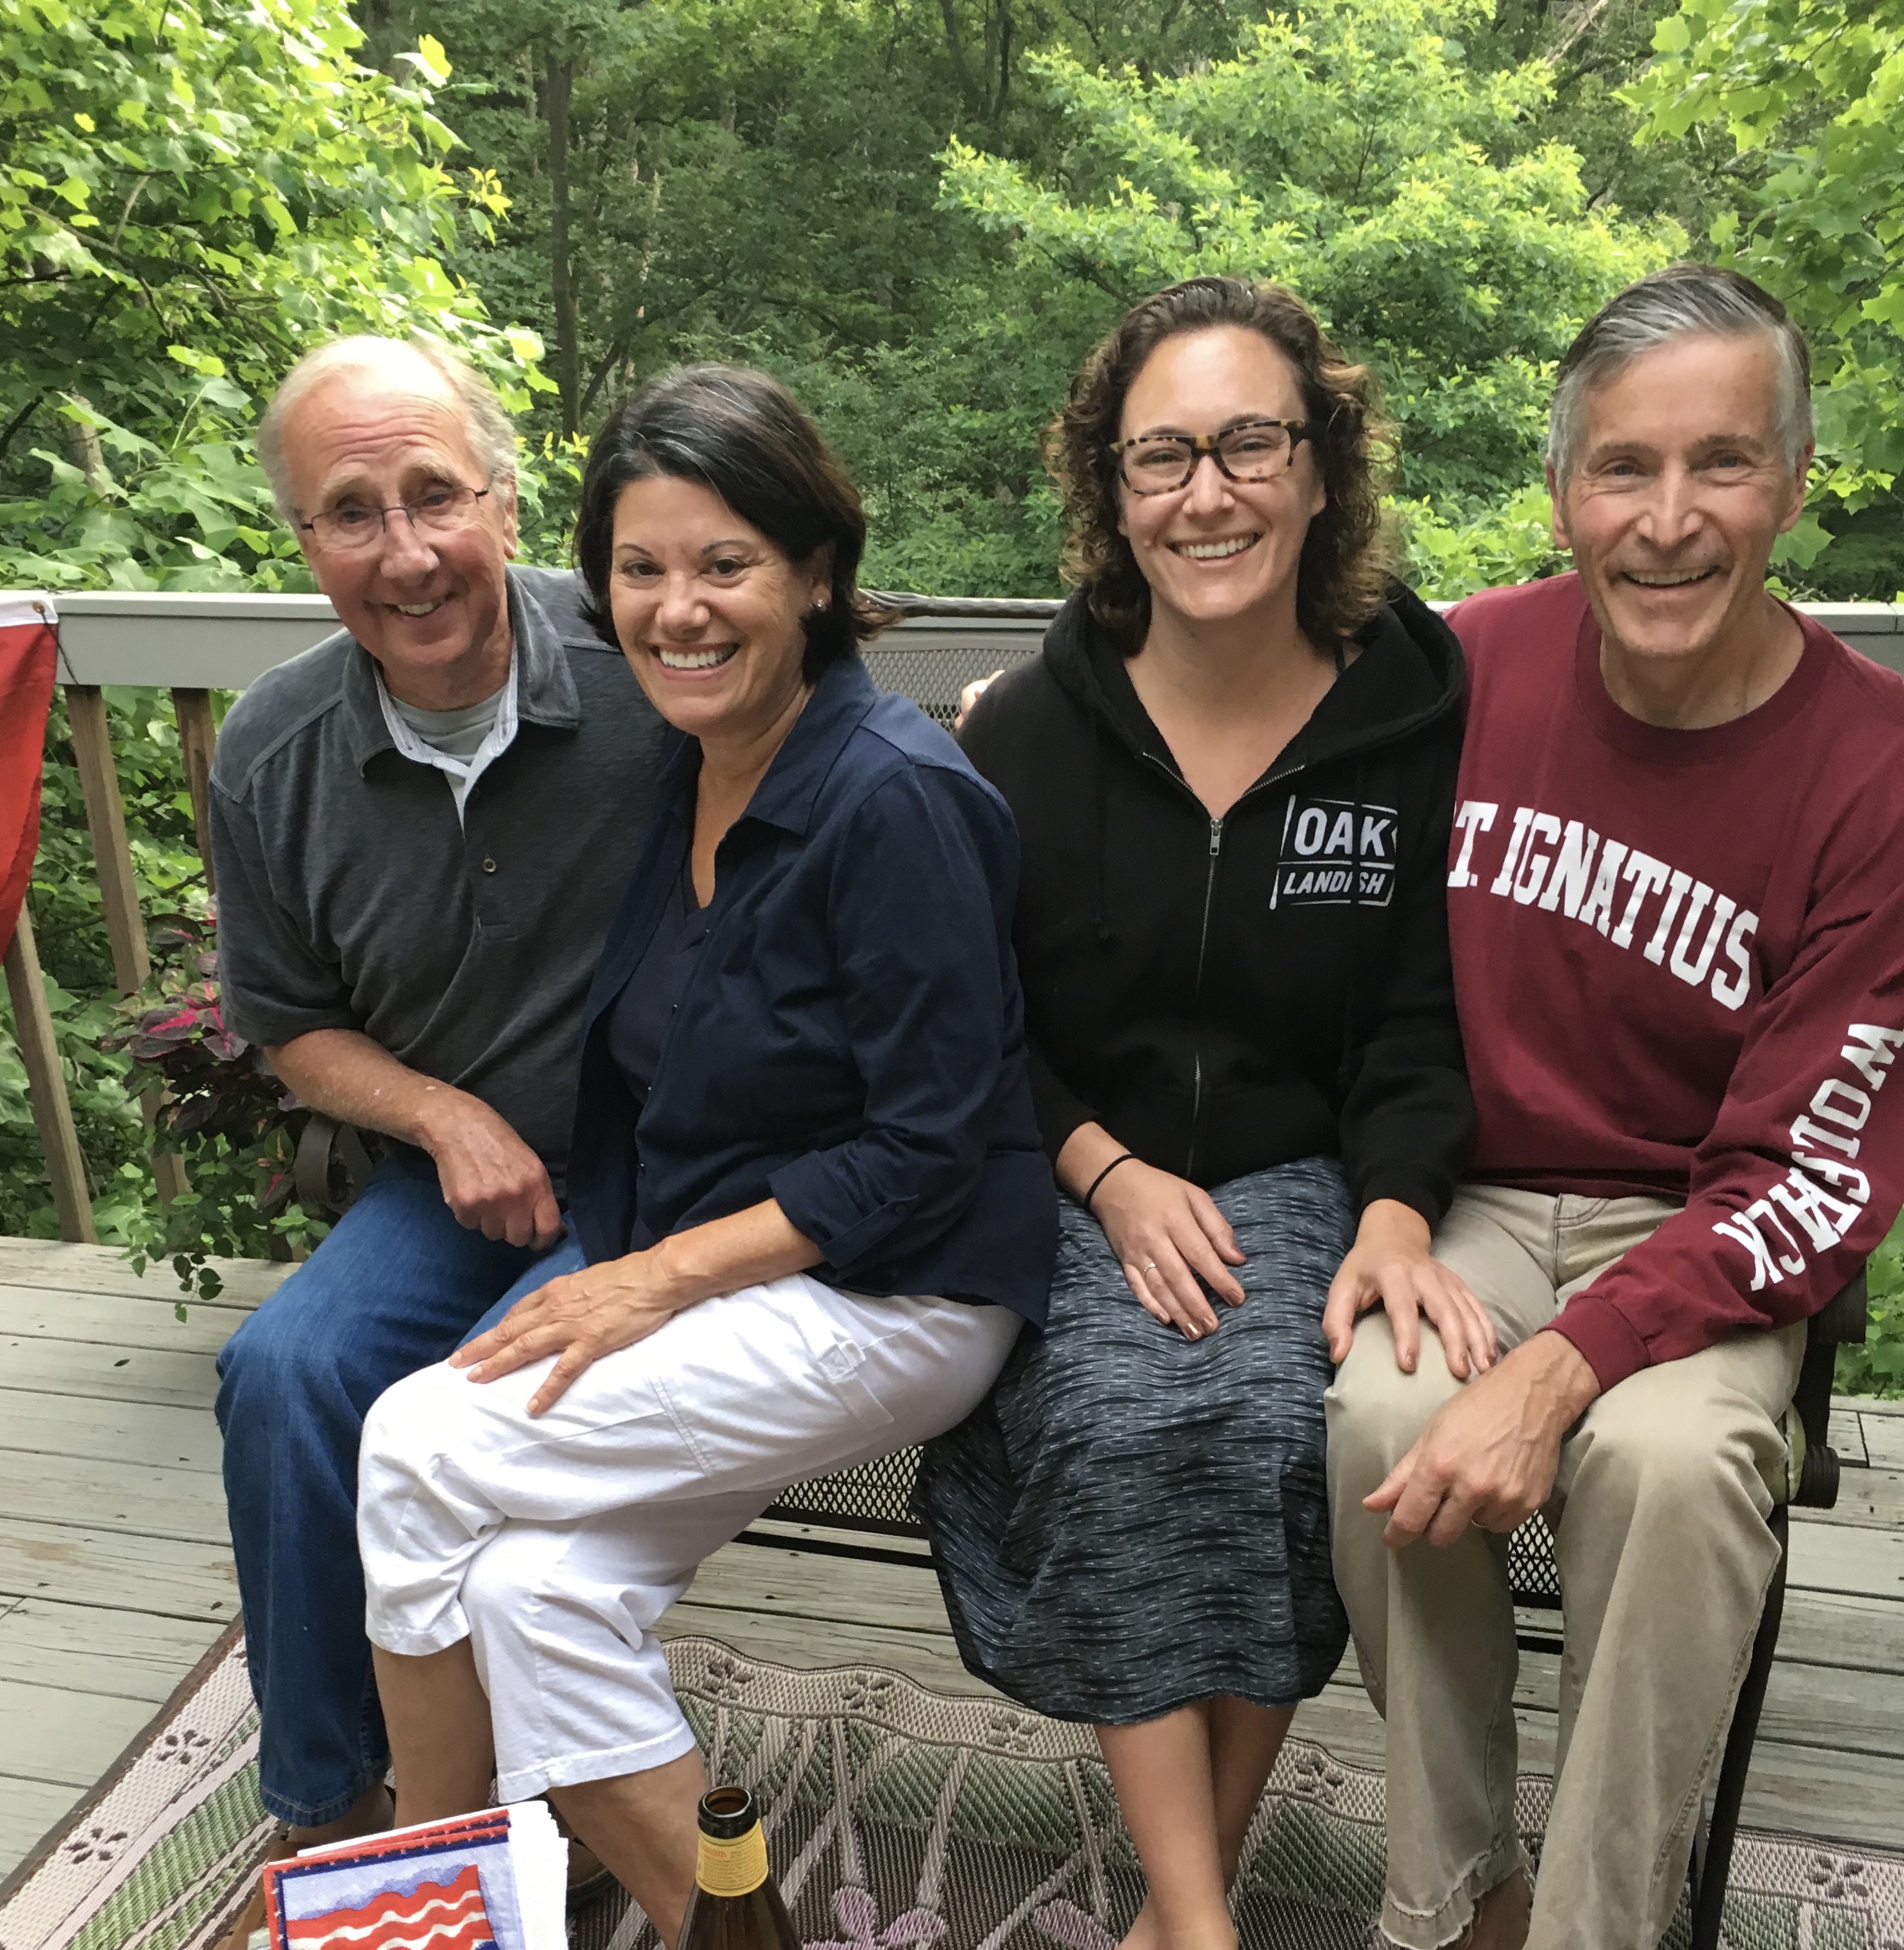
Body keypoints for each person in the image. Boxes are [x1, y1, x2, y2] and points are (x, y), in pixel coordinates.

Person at [353, 364, 1058, 1947]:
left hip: (898, 1292)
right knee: (536, 1597)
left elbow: (930, 1145)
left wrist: (653, 1279)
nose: (679, 609)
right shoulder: (694, 761)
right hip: (745, 1278)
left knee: (412, 1447)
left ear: (816, 571)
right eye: (641, 568)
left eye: (725, 563)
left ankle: (420, 1900)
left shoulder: (894, 799)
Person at [1324, 264, 1904, 1950]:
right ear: (1563, 487)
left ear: (1793, 482)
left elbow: (1810, 1173)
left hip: (1712, 1225)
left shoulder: (1876, 769)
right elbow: (1274, 804)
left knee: (1670, 1462)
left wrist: (1566, 1370)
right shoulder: (1464, 665)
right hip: (1476, 1194)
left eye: (1722, 463)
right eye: (1623, 469)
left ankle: (1598, 1929)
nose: (1667, 521)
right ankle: (1459, 1905)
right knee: (1380, 1420)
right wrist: (1028, 732)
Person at [916, 276, 1483, 1950]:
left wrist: (1396, 1212)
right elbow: (974, 1020)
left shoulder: (1419, 719)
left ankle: (1179, 1918)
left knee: (1281, 1429)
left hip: (1310, 1172)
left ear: (1322, 468)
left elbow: (1424, 1016)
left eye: (1251, 445)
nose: (1207, 493)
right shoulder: (1028, 731)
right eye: (1161, 456)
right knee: (1115, 1422)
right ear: (1112, 489)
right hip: (1075, 1168)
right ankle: (1198, 1918)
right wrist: (1104, 1173)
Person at [207, 334, 667, 1912]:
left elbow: (828, 765)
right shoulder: (275, 749)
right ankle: (333, 1814)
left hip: (660, 1185)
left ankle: (527, 1803)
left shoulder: (646, 663)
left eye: (434, 496)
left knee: (472, 1426)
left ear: (505, 500)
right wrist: (443, 1115)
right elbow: (288, 1025)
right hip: (444, 1188)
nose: (405, 555)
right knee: (286, 1371)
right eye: (352, 512)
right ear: (305, 540)